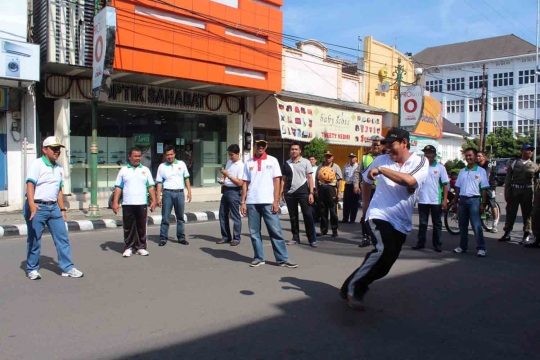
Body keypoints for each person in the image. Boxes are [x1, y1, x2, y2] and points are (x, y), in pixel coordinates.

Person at [340, 128, 429, 310]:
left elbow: (409, 181)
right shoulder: (381, 160)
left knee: (386, 264)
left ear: (404, 143)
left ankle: (359, 283)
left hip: (401, 221)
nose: (388, 148)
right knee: (384, 250)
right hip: (379, 214)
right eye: (386, 145)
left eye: (392, 145)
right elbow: (366, 181)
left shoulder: (420, 161)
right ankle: (352, 287)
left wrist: (382, 170)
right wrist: (365, 208)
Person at [24, 136, 84, 280]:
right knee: (34, 239)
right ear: (45, 150)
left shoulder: (59, 168)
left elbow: (59, 190)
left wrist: (62, 209)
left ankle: (67, 267)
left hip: (54, 208)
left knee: (62, 238)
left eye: (59, 149)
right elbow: (30, 185)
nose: (57, 151)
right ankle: (32, 268)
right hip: (37, 206)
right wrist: (32, 204)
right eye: (54, 149)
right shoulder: (36, 164)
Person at [240, 134, 297, 268]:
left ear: (266, 146)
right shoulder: (249, 163)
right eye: (258, 144)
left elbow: (277, 181)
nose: (260, 147)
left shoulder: (272, 161)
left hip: (268, 202)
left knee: (276, 231)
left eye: (263, 144)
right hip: (252, 202)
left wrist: (276, 200)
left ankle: (282, 259)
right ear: (255, 146)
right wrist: (243, 201)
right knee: (254, 233)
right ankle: (259, 258)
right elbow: (245, 183)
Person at [112, 147, 157, 257]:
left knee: (141, 226)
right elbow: (118, 187)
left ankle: (141, 247)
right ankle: (129, 247)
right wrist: (115, 202)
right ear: (129, 157)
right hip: (128, 203)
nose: (137, 158)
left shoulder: (145, 170)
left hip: (141, 203)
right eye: (135, 156)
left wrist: (154, 200)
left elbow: (151, 186)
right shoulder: (123, 170)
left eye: (139, 156)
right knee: (128, 226)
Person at [450, 148, 490, 257]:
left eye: (470, 155)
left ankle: (481, 248)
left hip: (474, 201)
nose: (468, 157)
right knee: (462, 225)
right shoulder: (462, 171)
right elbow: (457, 188)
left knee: (476, 225)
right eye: (466, 156)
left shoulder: (481, 171)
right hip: (462, 200)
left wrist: (483, 203)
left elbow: (484, 189)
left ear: (475, 156)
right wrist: (455, 202)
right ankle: (463, 246)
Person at [411, 145, 448, 252]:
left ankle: (437, 244)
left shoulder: (440, 168)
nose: (427, 155)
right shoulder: (420, 167)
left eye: (430, 153)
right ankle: (421, 242)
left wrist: (445, 199)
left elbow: (445, 185)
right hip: (423, 199)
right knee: (423, 223)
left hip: (435, 200)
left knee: (437, 224)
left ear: (434, 155)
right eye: (426, 153)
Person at [499, 144, 538, 243]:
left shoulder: (535, 166)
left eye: (531, 150)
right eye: (528, 150)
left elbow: (537, 182)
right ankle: (507, 232)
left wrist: (536, 196)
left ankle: (526, 234)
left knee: (527, 213)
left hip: (527, 191)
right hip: (515, 190)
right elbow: (508, 180)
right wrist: (507, 193)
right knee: (511, 212)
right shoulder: (514, 163)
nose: (530, 152)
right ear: (522, 151)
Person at [281, 142, 317, 247]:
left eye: (296, 149)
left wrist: (311, 193)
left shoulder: (306, 162)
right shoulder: (286, 164)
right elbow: (283, 179)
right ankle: (295, 237)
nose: (294, 151)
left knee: (307, 215)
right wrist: (280, 194)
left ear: (300, 151)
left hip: (303, 192)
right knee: (293, 217)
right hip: (290, 193)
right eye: (292, 149)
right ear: (290, 151)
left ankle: (312, 239)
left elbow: (310, 178)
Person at [155, 145, 192, 246]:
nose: (170, 156)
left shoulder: (181, 164)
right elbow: (159, 182)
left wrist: (189, 191)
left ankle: (181, 237)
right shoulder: (162, 167)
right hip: (167, 193)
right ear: (165, 156)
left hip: (179, 193)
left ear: (174, 154)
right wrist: (158, 196)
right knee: (165, 217)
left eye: (171, 154)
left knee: (180, 217)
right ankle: (163, 238)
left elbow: (186, 178)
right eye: (167, 155)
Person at [354, 136, 385, 247]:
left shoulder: (385, 158)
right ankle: (365, 237)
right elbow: (357, 172)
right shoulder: (365, 158)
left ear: (382, 146)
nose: (375, 147)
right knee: (366, 214)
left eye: (377, 145)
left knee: (380, 215)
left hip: (381, 191)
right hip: (368, 190)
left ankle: (378, 238)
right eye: (373, 145)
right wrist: (356, 185)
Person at [217, 144, 244, 246]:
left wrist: (228, 175)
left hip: (234, 191)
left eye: (232, 155)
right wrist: (223, 178)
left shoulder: (241, 166)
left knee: (234, 215)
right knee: (222, 214)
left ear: (238, 154)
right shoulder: (229, 162)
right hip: (226, 189)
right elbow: (225, 175)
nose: (230, 157)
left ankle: (236, 238)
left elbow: (240, 182)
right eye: (229, 154)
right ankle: (226, 236)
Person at [315, 150, 343, 237]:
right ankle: (324, 230)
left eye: (329, 156)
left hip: (331, 189)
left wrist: (339, 192)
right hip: (322, 189)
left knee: (333, 211)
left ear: (332, 157)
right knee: (323, 210)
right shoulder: (320, 166)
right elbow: (317, 179)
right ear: (324, 157)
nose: (328, 158)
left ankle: (334, 230)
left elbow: (340, 180)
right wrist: (317, 190)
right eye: (326, 156)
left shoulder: (336, 167)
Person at [477, 151, 500, 233]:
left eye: (480, 156)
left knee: (491, 202)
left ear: (484, 157)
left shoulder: (488, 164)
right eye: (477, 156)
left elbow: (487, 175)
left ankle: (494, 223)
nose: (478, 157)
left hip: (490, 185)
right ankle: (480, 218)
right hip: (479, 185)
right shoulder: (476, 164)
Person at [342, 153, 360, 224]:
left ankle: (352, 219)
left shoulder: (358, 166)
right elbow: (343, 176)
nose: (351, 159)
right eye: (350, 157)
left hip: (355, 186)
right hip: (348, 185)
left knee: (354, 203)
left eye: (353, 157)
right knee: (346, 203)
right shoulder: (346, 166)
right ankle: (345, 218)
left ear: (356, 158)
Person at [308, 155, 320, 223]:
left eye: (312, 159)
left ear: (315, 161)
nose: (311, 161)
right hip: (309, 188)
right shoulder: (306, 168)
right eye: (310, 159)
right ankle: (313, 217)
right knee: (311, 203)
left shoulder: (318, 168)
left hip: (316, 188)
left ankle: (318, 217)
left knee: (318, 203)